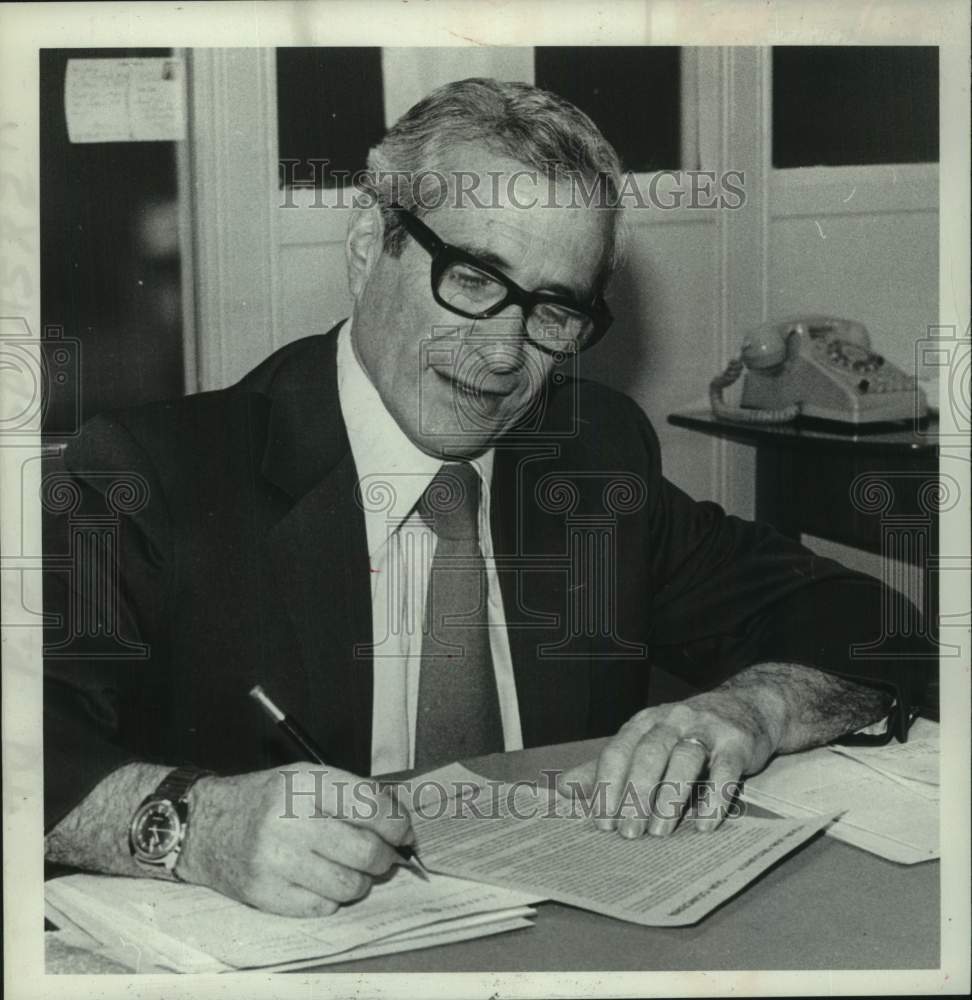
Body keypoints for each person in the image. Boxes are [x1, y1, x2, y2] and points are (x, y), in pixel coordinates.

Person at [44, 78, 933, 918]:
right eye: (472, 281)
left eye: (553, 310)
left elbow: (868, 623)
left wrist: (753, 709)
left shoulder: (591, 461)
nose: (506, 355)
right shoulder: (152, 476)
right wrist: (195, 828)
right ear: (368, 249)